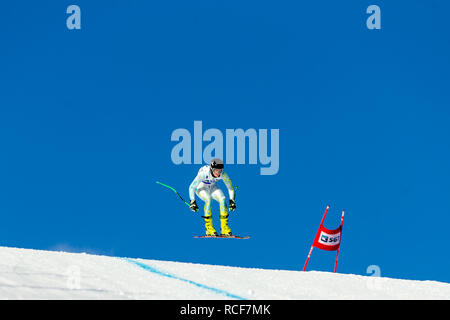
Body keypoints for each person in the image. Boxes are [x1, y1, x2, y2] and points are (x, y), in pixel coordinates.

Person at [188, 158, 236, 236]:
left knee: (223, 199)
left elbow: (230, 188)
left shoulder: (223, 174)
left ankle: (224, 228)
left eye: (220, 170)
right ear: (212, 169)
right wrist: (192, 201)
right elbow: (191, 187)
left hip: (213, 186)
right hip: (201, 187)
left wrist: (232, 201)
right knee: (208, 200)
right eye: (216, 170)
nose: (218, 173)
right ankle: (209, 228)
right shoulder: (204, 173)